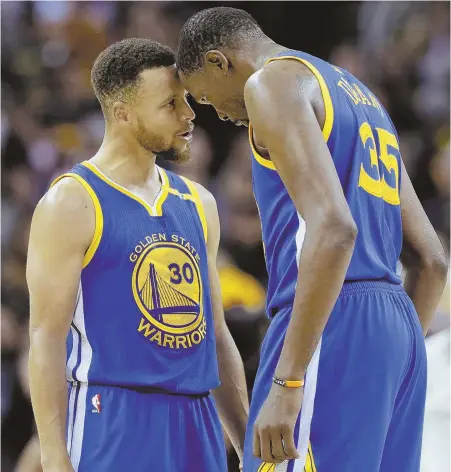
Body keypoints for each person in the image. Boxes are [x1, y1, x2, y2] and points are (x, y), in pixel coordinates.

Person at [176, 7, 449, 472]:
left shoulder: (269, 84)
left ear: (221, 62)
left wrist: (288, 380)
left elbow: (335, 228)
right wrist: (390, 358)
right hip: (399, 331)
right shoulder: (359, 94)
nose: (219, 115)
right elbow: (432, 259)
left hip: (330, 315)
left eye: (205, 98)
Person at [26, 38, 249, 472]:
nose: (189, 115)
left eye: (186, 99)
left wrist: (246, 444)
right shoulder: (73, 202)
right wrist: (54, 456)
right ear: (122, 113)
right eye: (170, 104)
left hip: (198, 418)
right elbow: (46, 340)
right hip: (114, 415)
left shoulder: (199, 202)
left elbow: (215, 334)